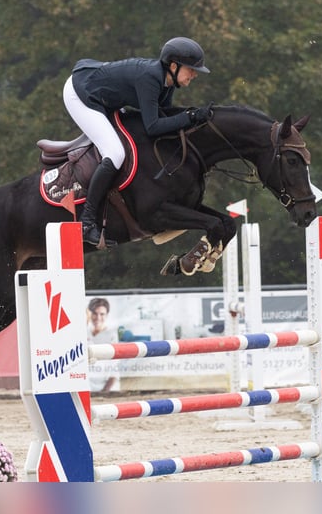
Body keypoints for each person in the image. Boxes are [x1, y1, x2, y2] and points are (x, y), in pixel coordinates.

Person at [63, 36, 212, 247]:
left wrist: (193, 118)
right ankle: (86, 224)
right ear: (173, 66)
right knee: (115, 153)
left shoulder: (167, 83)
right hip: (81, 94)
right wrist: (190, 116)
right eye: (191, 69)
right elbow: (153, 127)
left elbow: (166, 118)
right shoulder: (150, 79)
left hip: (103, 93)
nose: (195, 74)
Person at [86, 297, 120, 393]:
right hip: (87, 387)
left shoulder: (111, 335)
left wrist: (106, 391)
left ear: (107, 315)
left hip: (108, 387)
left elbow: (115, 367)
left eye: (102, 314)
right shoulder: (84, 333)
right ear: (89, 314)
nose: (98, 318)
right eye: (95, 313)